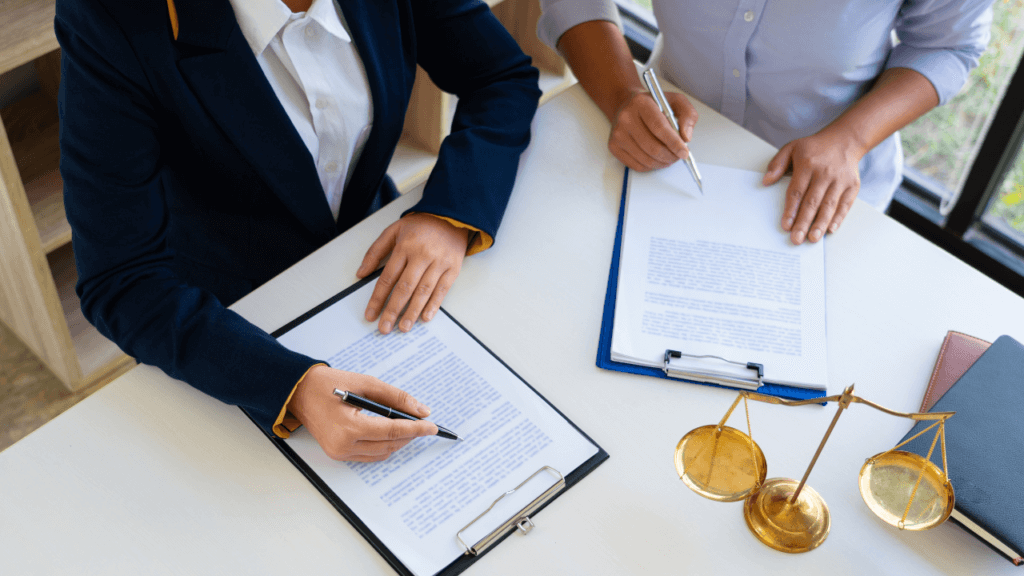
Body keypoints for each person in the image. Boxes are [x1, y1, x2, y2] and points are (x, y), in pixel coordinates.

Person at [56, 0, 541, 462]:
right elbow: (119, 281)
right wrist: (292, 387)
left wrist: (448, 214)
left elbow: (500, 78)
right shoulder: (109, 15)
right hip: (229, 320)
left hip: (372, 261)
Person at [538, 0, 993, 244]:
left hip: (819, 189)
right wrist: (621, 93)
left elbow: (947, 45)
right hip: (659, 146)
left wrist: (850, 140)